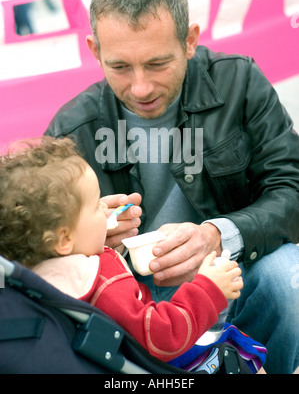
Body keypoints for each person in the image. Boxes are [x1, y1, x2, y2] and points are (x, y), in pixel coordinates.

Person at [45, 0, 299, 374]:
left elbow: (291, 187)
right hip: (135, 304)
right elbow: (37, 256)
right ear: (95, 51)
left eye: (157, 63)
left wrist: (218, 235)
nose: (141, 87)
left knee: (291, 279)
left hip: (236, 273)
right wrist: (88, 239)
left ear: (190, 40)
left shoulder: (239, 80)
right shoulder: (71, 128)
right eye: (120, 67)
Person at [0, 136, 268, 373]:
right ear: (64, 239)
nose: (106, 210)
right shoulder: (104, 283)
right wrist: (209, 289)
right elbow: (162, 336)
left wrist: (93, 240)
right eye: (95, 206)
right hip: (154, 361)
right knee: (235, 347)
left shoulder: (29, 278)